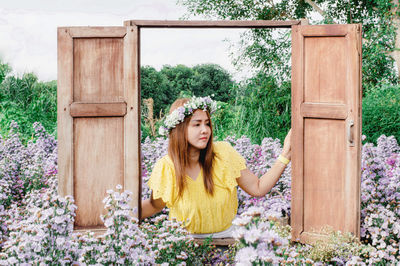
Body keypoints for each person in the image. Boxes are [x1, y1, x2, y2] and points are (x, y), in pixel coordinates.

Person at [141, 96, 291, 238]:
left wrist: (285, 155)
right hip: (185, 245)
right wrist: (122, 216)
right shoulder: (166, 166)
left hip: (227, 240)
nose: (205, 130)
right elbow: (154, 206)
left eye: (207, 123)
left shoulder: (223, 154)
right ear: (179, 128)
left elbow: (258, 188)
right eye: (197, 124)